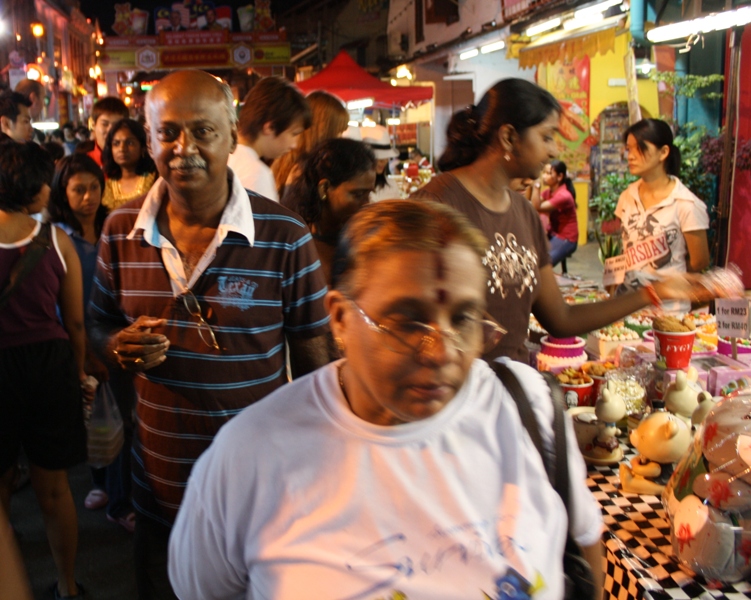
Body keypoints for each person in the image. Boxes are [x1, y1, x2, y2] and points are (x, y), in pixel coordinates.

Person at [168, 199, 604, 599]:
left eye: (464, 318)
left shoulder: (526, 407)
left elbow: (584, 546)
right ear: (339, 318)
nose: (442, 353)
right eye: (408, 322)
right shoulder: (250, 456)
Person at [88, 70, 334, 599]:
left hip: (259, 491)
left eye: (203, 131)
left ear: (231, 135)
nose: (184, 148)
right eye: (168, 132)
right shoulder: (120, 231)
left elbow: (320, 365)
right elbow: (97, 321)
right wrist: (115, 345)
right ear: (148, 138)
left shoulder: (284, 236)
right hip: (158, 486)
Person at [413, 78, 723, 362]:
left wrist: (655, 292)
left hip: (509, 395)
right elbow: (413, 321)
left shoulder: (523, 213)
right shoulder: (438, 205)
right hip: (455, 398)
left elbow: (561, 319)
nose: (554, 150)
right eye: (547, 136)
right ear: (509, 137)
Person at [0, 140, 88, 599]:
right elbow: (74, 322)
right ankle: (68, 585)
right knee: (54, 489)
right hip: (49, 369)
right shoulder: (56, 240)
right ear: (32, 185)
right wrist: (79, 374)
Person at [48, 154, 138, 533]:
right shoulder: (56, 236)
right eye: (78, 189)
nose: (88, 196)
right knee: (95, 415)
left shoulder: (111, 227)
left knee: (116, 415)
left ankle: (116, 497)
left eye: (94, 188)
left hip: (110, 334)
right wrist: (80, 353)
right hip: (76, 338)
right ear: (62, 192)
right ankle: (104, 483)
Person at [615, 118, 710, 313]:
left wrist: (668, 277)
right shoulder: (627, 197)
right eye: (628, 149)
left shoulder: (686, 204)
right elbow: (623, 250)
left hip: (668, 311)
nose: (630, 156)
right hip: (627, 308)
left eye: (639, 148)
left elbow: (699, 262)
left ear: (663, 152)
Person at [282, 138, 376, 284]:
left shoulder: (364, 240)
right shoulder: (298, 246)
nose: (366, 203)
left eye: (369, 193)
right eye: (357, 194)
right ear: (324, 188)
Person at [228, 76, 311, 201]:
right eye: (294, 134)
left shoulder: (223, 157)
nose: (294, 144)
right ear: (270, 127)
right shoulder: (256, 174)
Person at [272, 90, 349, 198]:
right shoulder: (308, 170)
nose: (340, 137)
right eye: (338, 131)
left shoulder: (285, 159)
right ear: (323, 130)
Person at [101, 118, 157, 210]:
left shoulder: (155, 180)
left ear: (143, 147)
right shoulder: (106, 187)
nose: (122, 149)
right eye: (116, 143)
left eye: (130, 143)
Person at [532, 160, 578, 267]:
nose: (544, 176)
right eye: (544, 173)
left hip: (566, 239)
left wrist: (536, 184)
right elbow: (532, 203)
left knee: (543, 265)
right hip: (554, 234)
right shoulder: (549, 192)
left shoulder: (563, 196)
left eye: (548, 173)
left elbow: (537, 207)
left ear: (560, 177)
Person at [75, 96, 129, 167]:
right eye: (105, 124)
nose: (110, 130)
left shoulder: (134, 162)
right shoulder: (82, 164)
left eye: (116, 125)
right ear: (94, 125)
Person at [360, 124, 402, 202]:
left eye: (386, 156)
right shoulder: (355, 188)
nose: (384, 160)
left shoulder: (391, 186)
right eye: (379, 156)